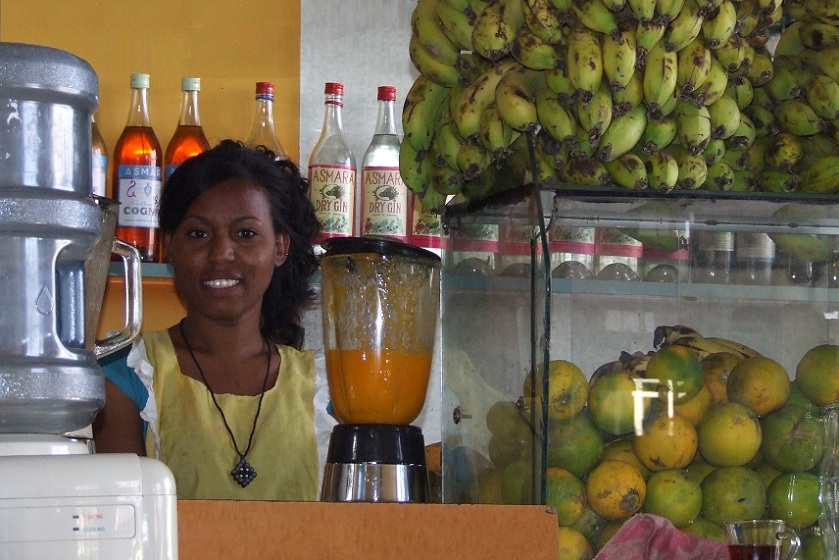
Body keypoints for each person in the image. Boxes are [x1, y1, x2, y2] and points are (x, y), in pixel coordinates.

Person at [93, 139, 335, 500]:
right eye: (198, 233)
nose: (222, 253)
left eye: (246, 234)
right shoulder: (127, 375)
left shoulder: (327, 390)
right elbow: (124, 532)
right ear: (171, 246)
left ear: (280, 248)